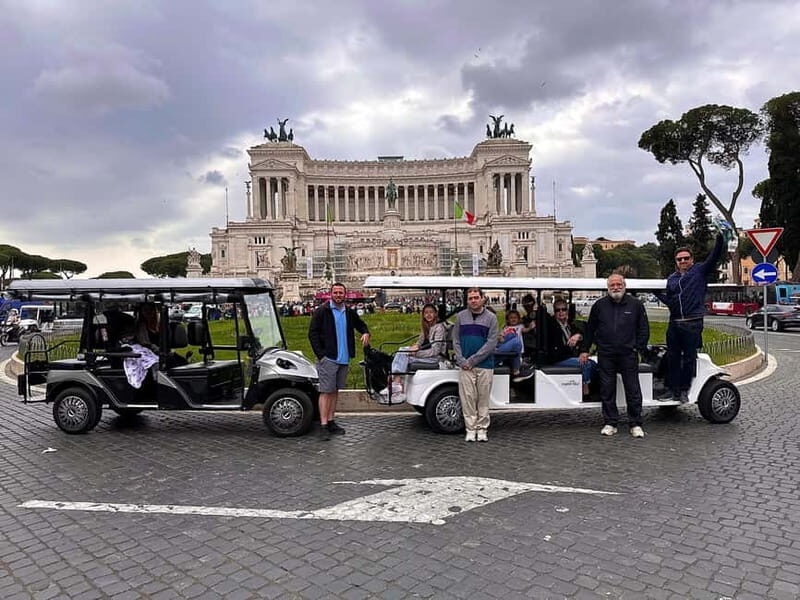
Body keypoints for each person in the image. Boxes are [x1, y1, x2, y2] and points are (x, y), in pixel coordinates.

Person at [655, 232, 725, 403]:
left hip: (692, 323)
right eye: (679, 259)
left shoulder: (699, 271)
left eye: (686, 258)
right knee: (672, 358)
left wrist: (720, 240)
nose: (683, 261)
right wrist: (656, 293)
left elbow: (714, 257)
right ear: (676, 262)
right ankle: (673, 390)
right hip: (675, 323)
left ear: (692, 259)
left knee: (688, 358)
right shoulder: (672, 279)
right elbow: (671, 301)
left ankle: (685, 390)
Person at [579, 274, 649, 438]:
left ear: (624, 285)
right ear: (608, 287)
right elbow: (590, 329)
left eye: (619, 284)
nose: (616, 287)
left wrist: (639, 349)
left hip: (628, 353)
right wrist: (585, 349)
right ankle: (610, 422)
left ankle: (636, 423)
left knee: (633, 389)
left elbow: (643, 329)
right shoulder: (599, 305)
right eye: (612, 285)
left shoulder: (636, 305)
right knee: (607, 389)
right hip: (606, 353)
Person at [308, 282, 370, 441]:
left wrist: (365, 332)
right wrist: (321, 355)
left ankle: (330, 421)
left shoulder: (349, 312)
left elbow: (361, 325)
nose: (338, 295)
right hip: (328, 357)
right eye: (335, 292)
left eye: (340, 293)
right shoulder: (322, 311)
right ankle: (322, 425)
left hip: (343, 358)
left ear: (345, 294)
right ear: (331, 294)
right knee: (326, 391)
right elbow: (312, 333)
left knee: (335, 391)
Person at [453, 287, 498, 442]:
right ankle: (470, 429)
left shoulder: (491, 318)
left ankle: (482, 428)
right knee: (468, 398)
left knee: (483, 398)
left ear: (482, 298)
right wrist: (461, 360)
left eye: (476, 297)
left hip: (484, 365)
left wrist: (472, 360)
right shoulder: (460, 317)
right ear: (467, 300)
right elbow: (456, 340)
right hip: (465, 365)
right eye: (470, 298)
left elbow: (491, 343)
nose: (473, 300)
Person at [380, 303, 447, 402]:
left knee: (404, 353)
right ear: (423, 315)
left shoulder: (439, 328)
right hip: (427, 355)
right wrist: (414, 347)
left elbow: (435, 351)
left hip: (434, 358)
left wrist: (417, 353)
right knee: (402, 350)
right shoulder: (427, 327)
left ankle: (396, 384)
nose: (428, 315)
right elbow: (419, 343)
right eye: (426, 313)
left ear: (435, 314)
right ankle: (397, 384)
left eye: (431, 312)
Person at [547, 299, 597, 396]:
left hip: (569, 356)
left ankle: (593, 388)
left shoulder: (570, 324)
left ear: (567, 311)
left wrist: (578, 336)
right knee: (585, 363)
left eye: (563, 309)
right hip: (557, 358)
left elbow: (584, 333)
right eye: (558, 310)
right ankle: (585, 391)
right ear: (554, 312)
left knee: (594, 364)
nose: (561, 312)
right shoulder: (551, 325)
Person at [494, 309, 523, 376]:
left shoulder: (520, 326)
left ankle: (516, 368)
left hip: (507, 349)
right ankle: (516, 368)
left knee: (512, 336)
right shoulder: (505, 328)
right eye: (511, 318)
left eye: (515, 318)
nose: (513, 319)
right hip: (493, 353)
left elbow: (525, 329)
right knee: (516, 341)